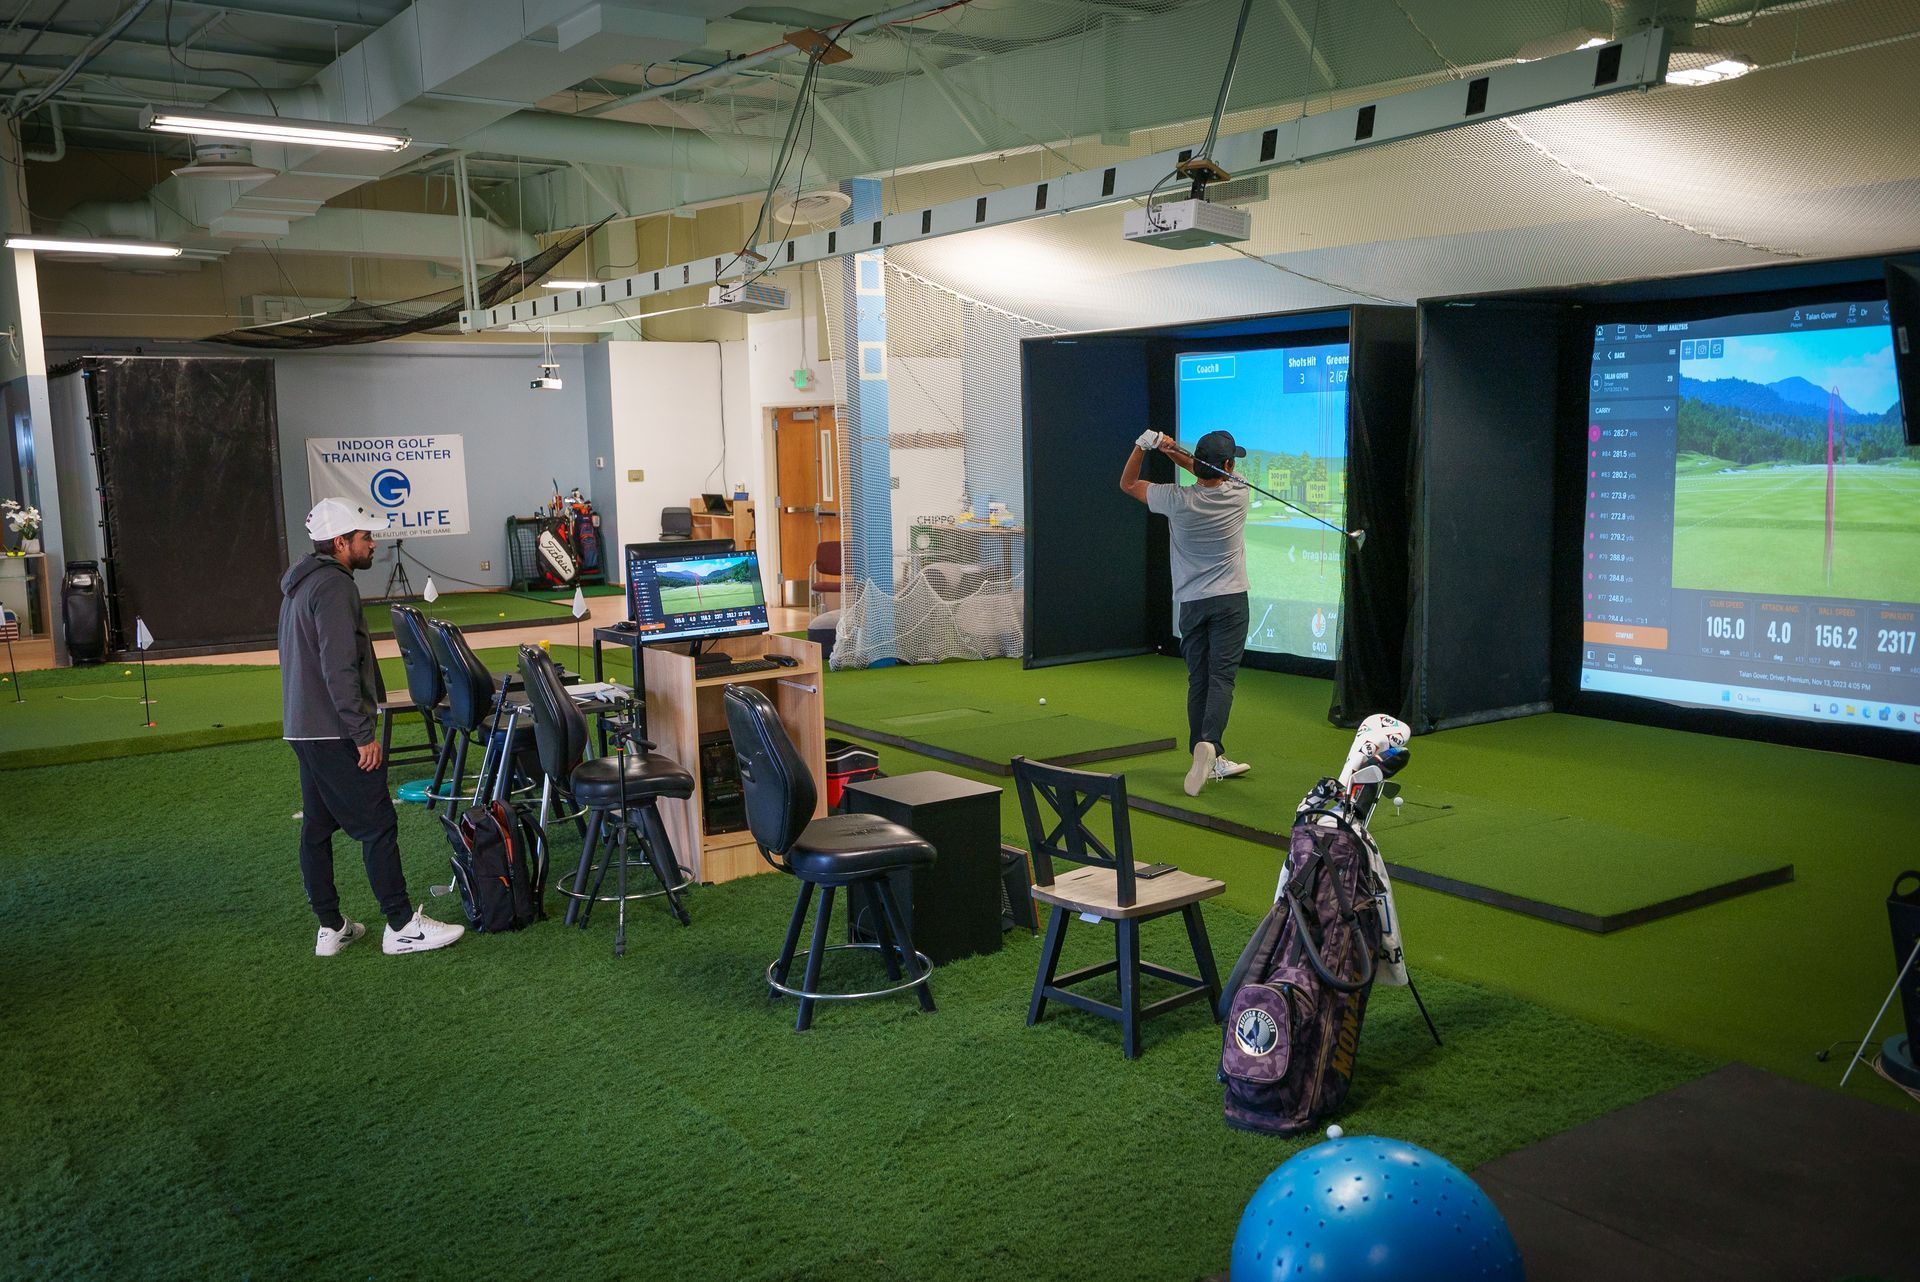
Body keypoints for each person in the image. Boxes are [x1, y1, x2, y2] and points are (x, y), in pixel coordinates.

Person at [281, 497, 464, 957]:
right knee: (378, 823)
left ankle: (332, 927)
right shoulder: (333, 586)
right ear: (340, 542)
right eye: (364, 537)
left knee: (318, 827)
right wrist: (362, 733)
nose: (373, 544)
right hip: (334, 729)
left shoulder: (301, 583)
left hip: (304, 728)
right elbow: (338, 665)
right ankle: (401, 926)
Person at [1121, 429, 1254, 796]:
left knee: (1199, 680)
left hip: (1192, 604)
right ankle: (1210, 744)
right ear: (1228, 466)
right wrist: (1171, 451)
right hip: (1230, 601)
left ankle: (1206, 755)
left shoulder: (1175, 499)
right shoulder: (1239, 493)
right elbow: (1205, 470)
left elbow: (1128, 483)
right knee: (1221, 679)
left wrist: (1144, 446)